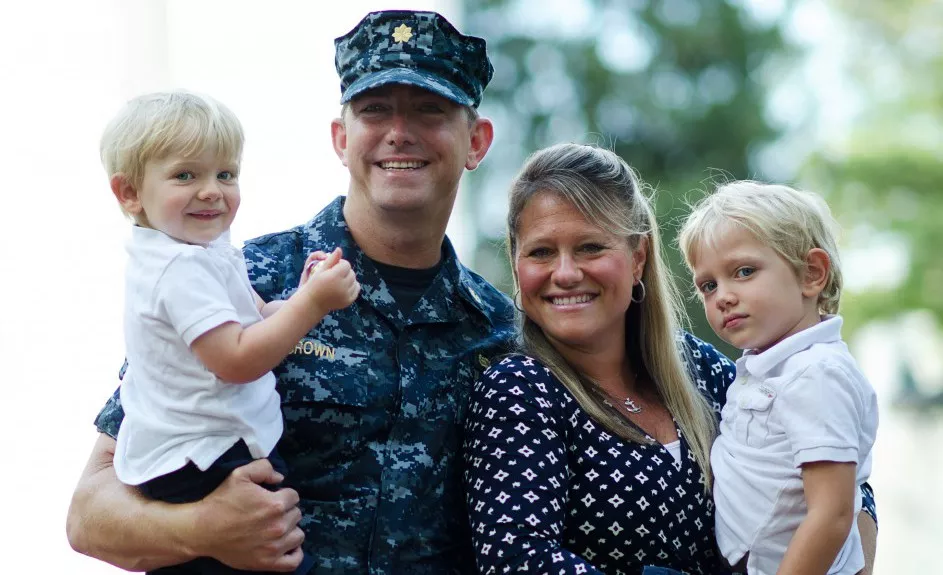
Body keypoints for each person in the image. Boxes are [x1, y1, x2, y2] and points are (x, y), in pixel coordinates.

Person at [67, 10, 514, 574]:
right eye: (375, 109)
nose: (400, 131)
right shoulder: (239, 277)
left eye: (430, 110)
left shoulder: (499, 331)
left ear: (475, 142)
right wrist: (201, 528)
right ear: (341, 138)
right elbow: (89, 513)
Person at [462, 143, 878, 575]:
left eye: (589, 247)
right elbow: (519, 561)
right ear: (516, 263)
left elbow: (840, 483)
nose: (565, 273)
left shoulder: (703, 370)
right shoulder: (521, 390)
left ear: (637, 257)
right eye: (541, 252)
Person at [100, 90, 361, 574]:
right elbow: (238, 360)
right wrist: (313, 302)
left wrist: (298, 295)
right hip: (205, 461)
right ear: (130, 192)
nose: (211, 190)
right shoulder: (178, 269)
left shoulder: (201, 249)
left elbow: (254, 315)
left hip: (212, 453)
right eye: (185, 175)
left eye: (226, 174)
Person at [677, 181, 879, 575]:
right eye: (709, 285)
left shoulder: (817, 373)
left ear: (811, 274)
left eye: (744, 271)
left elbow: (832, 514)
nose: (723, 296)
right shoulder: (768, 366)